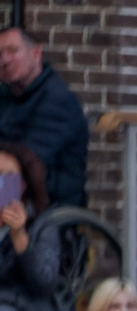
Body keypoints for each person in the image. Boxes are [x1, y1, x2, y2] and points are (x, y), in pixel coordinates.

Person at [0, 26, 87, 211]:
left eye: (13, 51)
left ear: (36, 53)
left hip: (50, 207)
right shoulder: (6, 95)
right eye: (0, 54)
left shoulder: (57, 99)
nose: (5, 60)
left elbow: (28, 157)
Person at [0, 141, 65, 311]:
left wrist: (19, 237)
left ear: (23, 185)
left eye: (6, 177)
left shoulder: (42, 226)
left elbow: (44, 283)